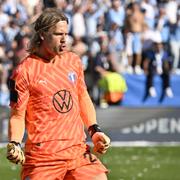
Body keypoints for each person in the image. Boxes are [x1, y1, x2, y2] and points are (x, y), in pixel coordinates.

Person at [6, 8, 110, 180]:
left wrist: (94, 130)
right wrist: (15, 143)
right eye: (57, 34)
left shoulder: (73, 61)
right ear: (42, 35)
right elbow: (17, 116)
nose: (64, 40)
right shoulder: (23, 72)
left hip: (78, 152)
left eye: (66, 34)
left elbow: (82, 97)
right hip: (43, 158)